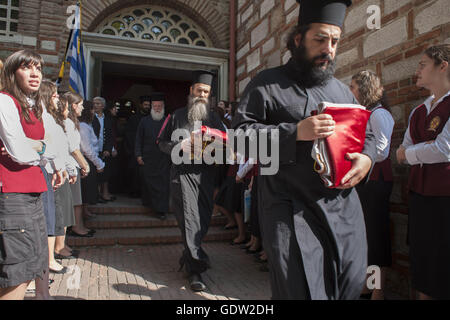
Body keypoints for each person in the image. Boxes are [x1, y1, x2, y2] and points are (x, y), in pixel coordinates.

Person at [232, 0, 377, 300]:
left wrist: (367, 159)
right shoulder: (266, 84)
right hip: (290, 210)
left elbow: (365, 136)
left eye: (335, 41)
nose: (329, 49)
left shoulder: (341, 92)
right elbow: (240, 138)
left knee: (349, 282)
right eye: (320, 39)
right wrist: (295, 132)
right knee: (301, 291)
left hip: (342, 210)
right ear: (298, 40)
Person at [158, 70, 225, 292]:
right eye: (199, 90)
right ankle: (195, 270)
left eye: (206, 92)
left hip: (206, 177)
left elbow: (228, 146)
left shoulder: (216, 119)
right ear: (191, 91)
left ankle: (189, 257)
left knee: (202, 223)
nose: (202, 95)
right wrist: (179, 147)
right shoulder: (175, 115)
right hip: (182, 175)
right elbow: (161, 142)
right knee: (189, 221)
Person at [0, 50, 59, 300]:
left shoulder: (34, 105)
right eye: (27, 67)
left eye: (39, 68)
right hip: (12, 194)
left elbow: (54, 145)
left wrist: (37, 146)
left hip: (33, 191)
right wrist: (39, 147)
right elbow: (18, 152)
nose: (35, 73)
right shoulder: (5, 101)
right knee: (18, 270)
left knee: (36, 257)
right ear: (13, 73)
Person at [396, 44, 450, 300]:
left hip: (445, 197)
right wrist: (422, 149)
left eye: (422, 64)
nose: (417, 70)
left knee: (443, 262)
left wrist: (414, 152)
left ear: (443, 66)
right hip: (419, 196)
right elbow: (400, 152)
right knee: (422, 259)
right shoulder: (418, 110)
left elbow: (444, 149)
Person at [350, 70, 394, 300]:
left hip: (376, 181)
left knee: (376, 236)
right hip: (366, 181)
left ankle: (378, 290)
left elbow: (382, 151)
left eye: (354, 87)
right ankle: (367, 287)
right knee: (366, 235)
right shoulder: (366, 113)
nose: (351, 91)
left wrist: (357, 155)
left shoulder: (379, 114)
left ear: (365, 89)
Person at [63, 91, 95, 237]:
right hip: (71, 165)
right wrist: (85, 165)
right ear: (73, 105)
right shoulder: (68, 123)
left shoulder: (73, 122)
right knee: (76, 201)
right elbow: (74, 148)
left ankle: (79, 225)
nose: (82, 108)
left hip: (74, 166)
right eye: (81, 105)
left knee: (77, 199)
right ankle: (77, 227)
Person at [135, 92, 171, 220]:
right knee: (148, 183)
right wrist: (138, 154)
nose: (157, 108)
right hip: (148, 158)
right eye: (155, 106)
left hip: (163, 159)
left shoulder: (169, 121)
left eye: (159, 106)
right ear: (151, 107)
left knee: (163, 185)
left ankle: (161, 210)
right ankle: (150, 205)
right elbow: (138, 138)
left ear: (163, 107)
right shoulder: (144, 121)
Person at [79, 101, 105, 209]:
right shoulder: (83, 126)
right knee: (86, 190)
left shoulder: (87, 125)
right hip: (87, 160)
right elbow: (87, 149)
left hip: (91, 159)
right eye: (92, 109)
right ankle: (84, 212)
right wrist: (99, 164)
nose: (93, 112)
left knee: (89, 189)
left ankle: (86, 210)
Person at [125, 96, 151, 198]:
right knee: (135, 173)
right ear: (141, 105)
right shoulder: (134, 118)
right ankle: (134, 191)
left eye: (149, 105)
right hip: (135, 149)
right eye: (145, 105)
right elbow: (129, 134)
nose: (147, 107)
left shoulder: (152, 118)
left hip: (148, 150)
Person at [92, 96, 115, 202]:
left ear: (103, 106)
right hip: (93, 149)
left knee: (106, 172)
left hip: (104, 149)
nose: (95, 105)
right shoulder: (91, 117)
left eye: (98, 103)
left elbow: (111, 136)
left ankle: (105, 193)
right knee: (95, 173)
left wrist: (109, 149)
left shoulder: (108, 118)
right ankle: (95, 195)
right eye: (94, 103)